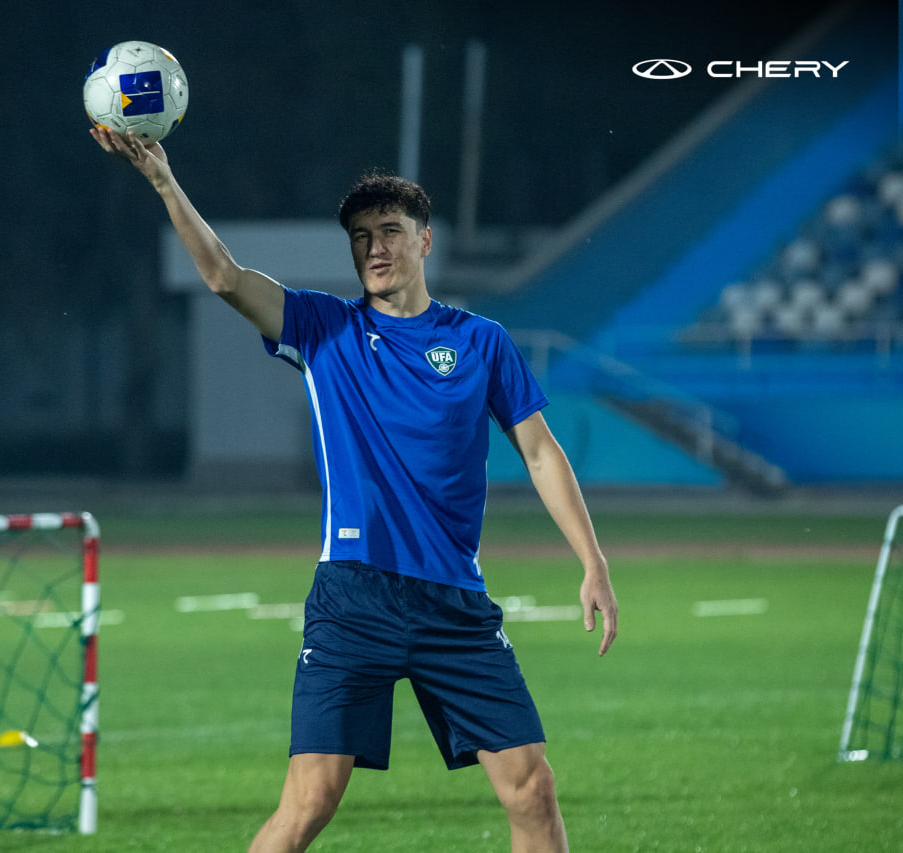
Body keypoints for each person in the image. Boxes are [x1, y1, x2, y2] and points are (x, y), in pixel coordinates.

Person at [93, 127, 618, 853]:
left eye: (391, 231)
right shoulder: (325, 329)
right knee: (310, 801)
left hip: (454, 602)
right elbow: (223, 276)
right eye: (362, 235)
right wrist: (162, 180)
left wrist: (593, 562)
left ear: (425, 241)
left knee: (533, 788)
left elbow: (539, 450)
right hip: (355, 599)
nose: (374, 246)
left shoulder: (480, 341)